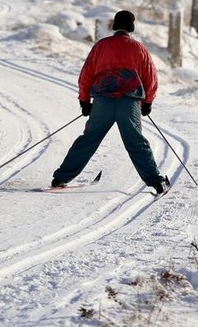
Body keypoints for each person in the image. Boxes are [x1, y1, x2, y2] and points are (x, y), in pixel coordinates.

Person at [51, 10, 168, 195]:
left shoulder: (101, 46)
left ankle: (61, 178)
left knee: (88, 140)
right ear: (131, 27)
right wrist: (147, 102)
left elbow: (86, 74)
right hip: (129, 104)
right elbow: (151, 78)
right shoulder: (139, 49)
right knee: (136, 143)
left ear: (114, 25)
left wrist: (84, 100)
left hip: (103, 101)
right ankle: (156, 182)